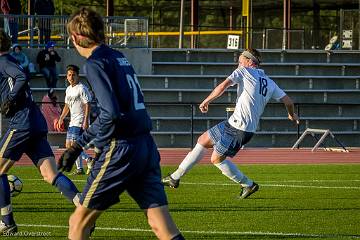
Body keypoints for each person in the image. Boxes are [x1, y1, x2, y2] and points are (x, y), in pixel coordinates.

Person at [59, 7, 184, 240]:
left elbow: (110, 114)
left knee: (78, 222)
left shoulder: (95, 63)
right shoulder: (119, 56)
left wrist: (78, 145)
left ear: (75, 38)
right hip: (145, 145)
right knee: (161, 225)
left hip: (122, 148)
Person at [162, 48, 300, 199]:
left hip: (239, 128)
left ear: (249, 62)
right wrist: (291, 114)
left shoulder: (244, 71)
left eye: (240, 61)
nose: (238, 64)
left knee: (216, 159)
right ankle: (174, 178)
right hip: (235, 124)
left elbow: (222, 86)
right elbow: (288, 101)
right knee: (203, 140)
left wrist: (206, 101)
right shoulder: (269, 82)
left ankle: (248, 184)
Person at [0, 29, 80, 236]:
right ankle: (83, 208)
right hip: (34, 122)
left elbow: (20, 77)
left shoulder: (3, 62)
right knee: (50, 174)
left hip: (22, 123)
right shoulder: (10, 60)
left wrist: (10, 98)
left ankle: (6, 222)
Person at [57, 64, 93, 175]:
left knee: (73, 146)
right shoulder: (68, 89)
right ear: (66, 77)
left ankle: (88, 161)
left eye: (73, 75)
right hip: (72, 121)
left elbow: (88, 104)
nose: (71, 77)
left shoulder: (82, 88)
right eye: (69, 75)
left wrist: (86, 121)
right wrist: (61, 118)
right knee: (69, 146)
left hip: (80, 121)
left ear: (78, 76)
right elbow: (67, 106)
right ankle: (81, 167)